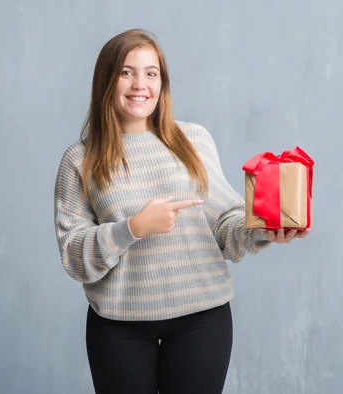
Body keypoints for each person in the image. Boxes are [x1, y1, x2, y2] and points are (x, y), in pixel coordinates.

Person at [52, 29, 310, 394]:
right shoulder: (80, 160)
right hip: (119, 327)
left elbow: (225, 223)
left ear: (162, 82)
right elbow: (74, 255)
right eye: (126, 72)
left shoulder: (194, 140)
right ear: (106, 80)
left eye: (151, 73)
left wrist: (262, 230)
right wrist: (133, 228)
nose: (140, 84)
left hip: (202, 320)